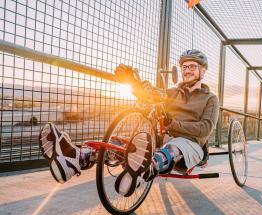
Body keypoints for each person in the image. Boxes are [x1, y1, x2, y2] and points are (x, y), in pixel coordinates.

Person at [39, 50, 219, 196]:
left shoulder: (210, 98)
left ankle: (146, 169)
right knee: (126, 144)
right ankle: (76, 158)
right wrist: (134, 83)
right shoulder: (172, 93)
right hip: (164, 138)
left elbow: (205, 129)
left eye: (192, 67)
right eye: (185, 67)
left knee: (174, 146)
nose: (187, 70)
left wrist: (173, 124)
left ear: (203, 70)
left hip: (191, 145)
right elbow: (151, 95)